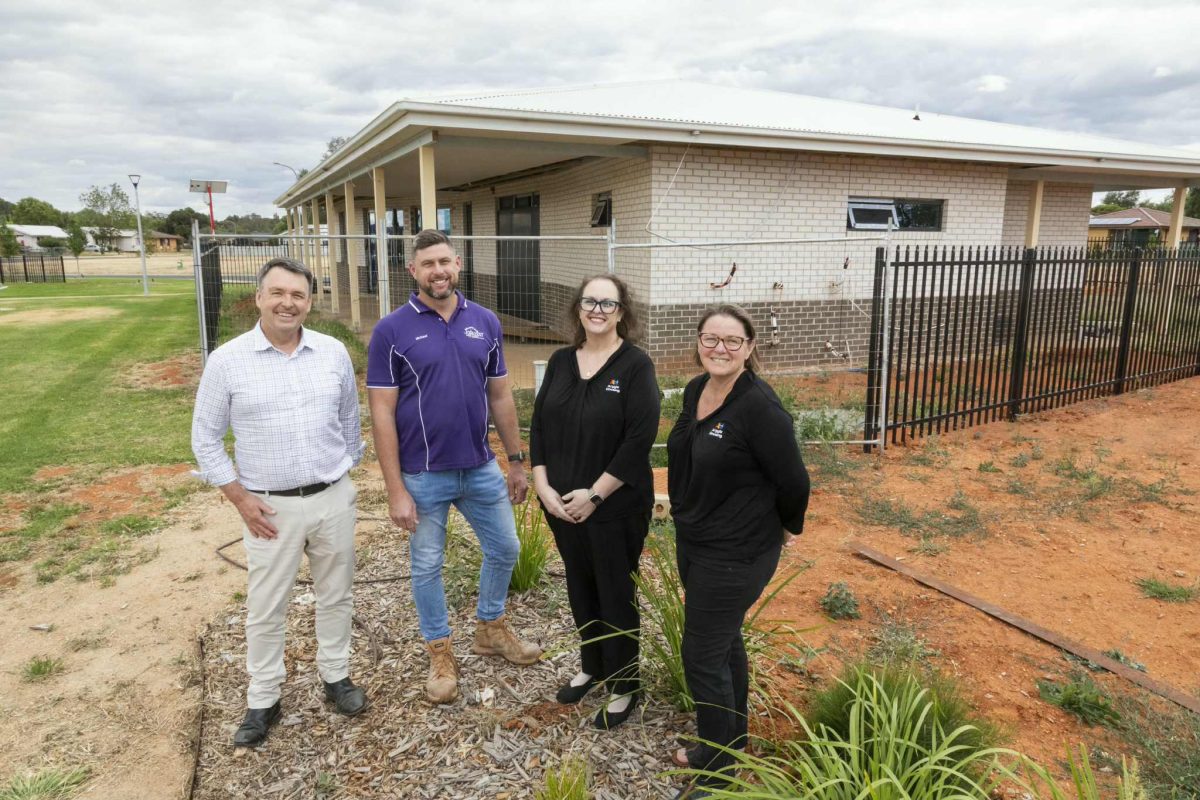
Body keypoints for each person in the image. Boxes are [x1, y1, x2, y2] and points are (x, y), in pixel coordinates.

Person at [192, 257, 366, 748]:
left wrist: (343, 476)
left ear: (310, 302)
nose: (288, 303)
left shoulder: (332, 353)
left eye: (298, 295)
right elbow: (205, 440)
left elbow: (350, 423)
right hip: (268, 509)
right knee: (267, 608)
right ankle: (264, 697)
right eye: (278, 293)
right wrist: (241, 499)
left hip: (333, 499)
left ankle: (336, 677)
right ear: (259, 296)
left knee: (337, 595)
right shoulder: (227, 360)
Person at [367, 229, 540, 704]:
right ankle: (440, 650)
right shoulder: (391, 331)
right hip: (424, 474)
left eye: (445, 261)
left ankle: (490, 627)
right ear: (413, 271)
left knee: (505, 547)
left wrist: (516, 461)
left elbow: (500, 395)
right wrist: (395, 489)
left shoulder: (484, 321)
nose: (438, 271)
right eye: (428, 264)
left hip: (480, 466)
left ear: (458, 263)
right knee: (427, 566)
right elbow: (381, 411)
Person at [665, 305, 810, 798]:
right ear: (699, 342)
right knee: (723, 643)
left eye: (732, 341)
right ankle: (732, 739)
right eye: (711, 339)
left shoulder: (759, 409)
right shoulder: (695, 390)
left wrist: (788, 527)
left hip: (737, 552)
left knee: (702, 655)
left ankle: (718, 770)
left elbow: (794, 479)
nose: (720, 349)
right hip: (696, 539)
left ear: (749, 348)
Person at [530, 274, 659, 729]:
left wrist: (596, 495)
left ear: (622, 311)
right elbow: (540, 426)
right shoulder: (562, 360)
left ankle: (625, 685)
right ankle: (593, 665)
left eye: (608, 303)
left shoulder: (636, 366)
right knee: (579, 584)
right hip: (561, 505)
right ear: (578, 308)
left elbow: (638, 439)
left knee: (615, 590)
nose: (598, 310)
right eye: (590, 302)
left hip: (615, 507)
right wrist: (542, 484)